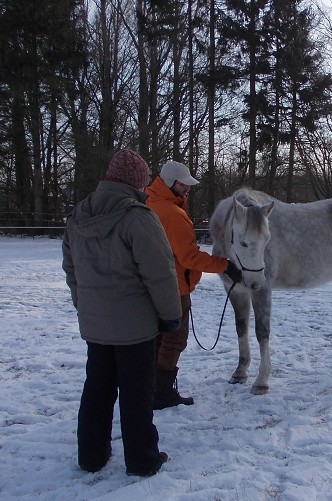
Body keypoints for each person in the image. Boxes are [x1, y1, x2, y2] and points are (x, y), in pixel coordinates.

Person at [62, 149, 182, 477]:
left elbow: (71, 270)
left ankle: (91, 455)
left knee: (97, 388)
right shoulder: (138, 217)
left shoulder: (78, 215)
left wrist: (85, 307)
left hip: (96, 326)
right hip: (135, 329)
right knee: (136, 393)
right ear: (136, 182)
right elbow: (160, 273)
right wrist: (171, 315)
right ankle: (143, 459)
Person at [145, 160, 242, 410]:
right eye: (183, 184)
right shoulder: (173, 214)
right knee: (174, 340)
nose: (187, 189)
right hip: (174, 286)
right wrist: (225, 265)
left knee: (156, 338)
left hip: (149, 285)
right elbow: (188, 257)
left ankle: (149, 388)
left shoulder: (147, 202)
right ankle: (162, 392)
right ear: (169, 183)